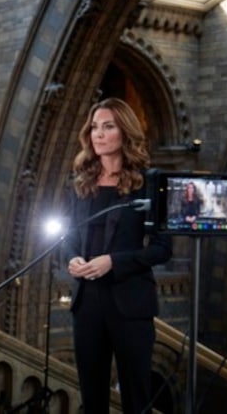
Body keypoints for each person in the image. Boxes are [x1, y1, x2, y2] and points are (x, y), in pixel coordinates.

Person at [62, 97, 172, 413]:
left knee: (136, 401)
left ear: (124, 132)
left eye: (108, 126)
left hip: (131, 304)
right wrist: (71, 259)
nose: (98, 134)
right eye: (95, 127)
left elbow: (162, 248)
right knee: (92, 400)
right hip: (87, 304)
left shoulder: (149, 184)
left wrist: (114, 261)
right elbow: (68, 237)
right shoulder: (81, 183)